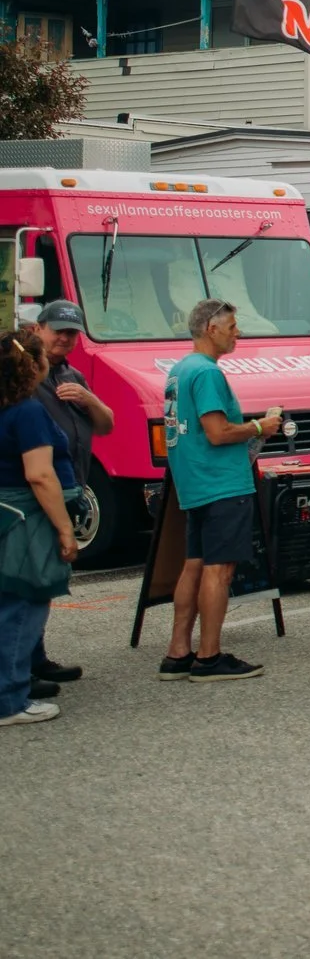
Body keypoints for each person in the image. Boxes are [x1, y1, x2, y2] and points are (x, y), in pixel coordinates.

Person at [158, 299, 279, 683]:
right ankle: (209, 656)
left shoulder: (179, 370)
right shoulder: (208, 373)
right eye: (232, 326)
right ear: (211, 329)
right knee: (219, 569)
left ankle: (178, 652)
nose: (237, 332)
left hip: (193, 482)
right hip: (222, 483)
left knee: (193, 563)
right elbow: (218, 431)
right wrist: (261, 427)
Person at [26, 300, 111, 692]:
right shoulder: (23, 375)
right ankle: (20, 670)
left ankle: (34, 657)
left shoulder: (73, 374)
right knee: (25, 583)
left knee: (45, 582)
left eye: (71, 332)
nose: (64, 338)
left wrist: (88, 400)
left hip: (70, 488)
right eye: (58, 329)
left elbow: (106, 426)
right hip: (33, 494)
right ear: (37, 328)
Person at [0, 331, 80, 727]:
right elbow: (40, 474)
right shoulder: (27, 410)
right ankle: (10, 700)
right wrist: (65, 530)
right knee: (23, 602)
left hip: (6, 511)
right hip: (26, 516)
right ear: (35, 365)